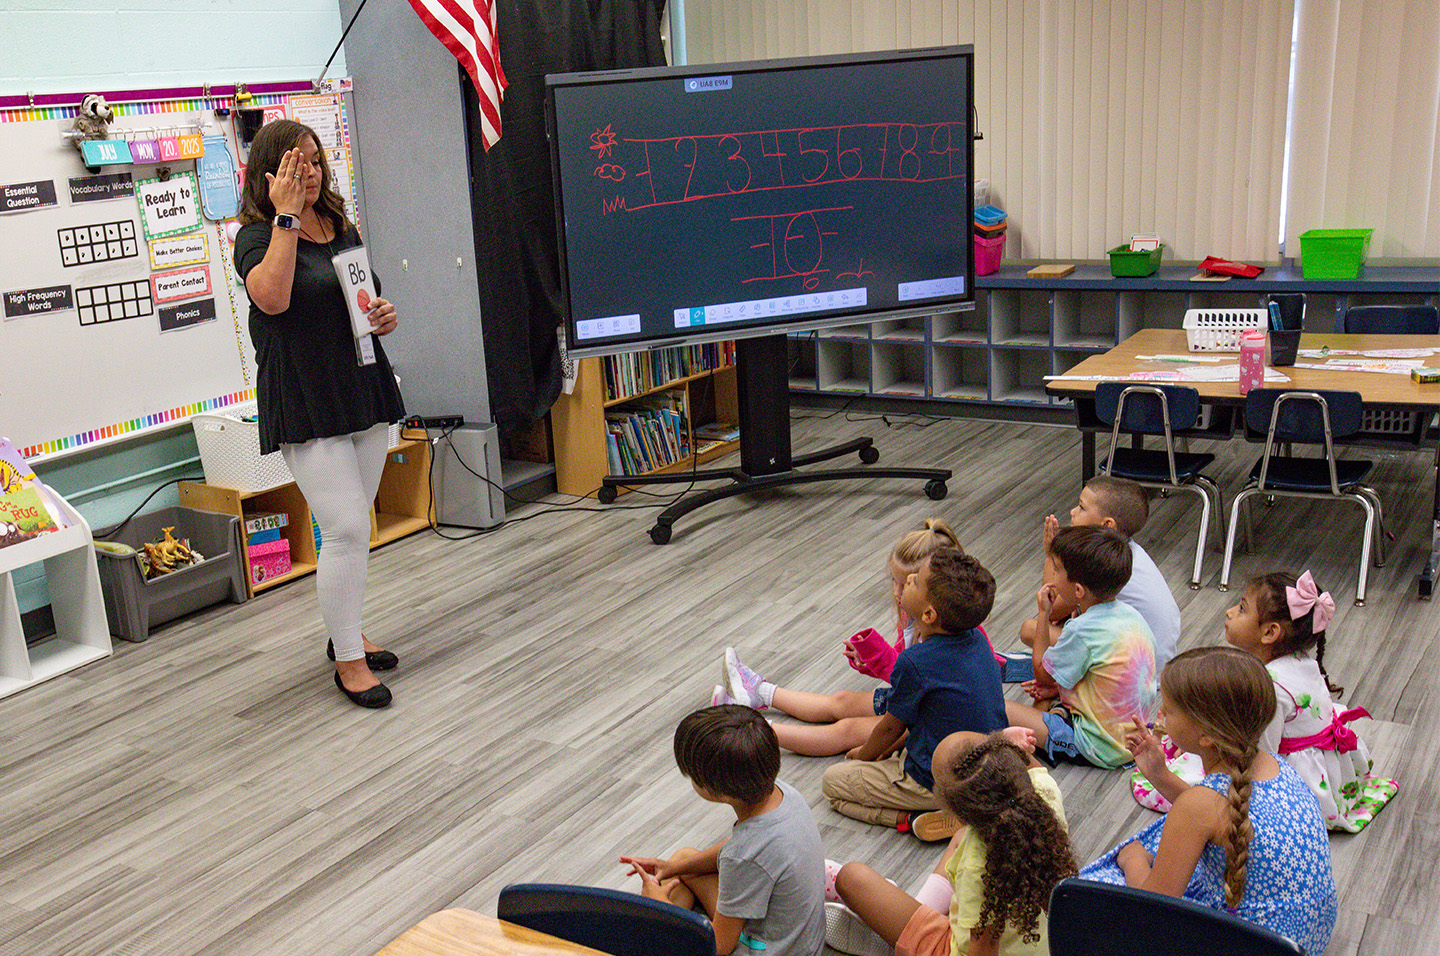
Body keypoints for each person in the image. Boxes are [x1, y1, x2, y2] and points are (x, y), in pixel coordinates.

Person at [234, 120, 405, 708]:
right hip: (305, 398)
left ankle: (347, 633)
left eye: (314, 159)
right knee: (346, 528)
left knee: (357, 527)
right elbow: (273, 297)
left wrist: (382, 314)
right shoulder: (256, 236)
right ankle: (349, 662)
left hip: (360, 387)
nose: (309, 171)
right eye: (294, 163)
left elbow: (360, 296)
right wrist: (285, 217)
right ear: (270, 175)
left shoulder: (339, 224)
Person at [1080, 647, 1338, 954]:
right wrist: (1159, 774)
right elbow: (1215, 814)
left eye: (1169, 710)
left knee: (1096, 897)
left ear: (1206, 736)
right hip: (1304, 938)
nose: (1160, 715)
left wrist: (1132, 860)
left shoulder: (1200, 806)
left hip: (1258, 944)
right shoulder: (1275, 763)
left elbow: (1152, 911)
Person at [716, 520, 1005, 756]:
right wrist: (871, 663)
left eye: (909, 584)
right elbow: (907, 670)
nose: (898, 592)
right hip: (917, 702)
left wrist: (882, 665)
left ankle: (748, 731)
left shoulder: (965, 633)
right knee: (841, 701)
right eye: (895, 581)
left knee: (847, 730)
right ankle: (758, 691)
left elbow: (923, 677)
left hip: (931, 719)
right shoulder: (917, 615)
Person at [824, 729, 1075, 956]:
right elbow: (1028, 765)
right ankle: (915, 914)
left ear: (957, 813)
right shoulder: (1046, 793)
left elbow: (982, 950)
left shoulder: (976, 867)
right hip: (1048, 945)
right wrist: (1003, 743)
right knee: (962, 837)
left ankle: (897, 940)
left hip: (960, 948)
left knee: (851, 877)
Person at [819, 548, 1008, 839]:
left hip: (935, 780)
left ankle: (916, 818)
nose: (908, 579)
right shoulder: (978, 642)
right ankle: (956, 810)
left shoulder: (915, 662)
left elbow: (891, 726)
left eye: (916, 580)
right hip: (986, 772)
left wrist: (865, 755)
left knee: (832, 784)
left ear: (929, 614)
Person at [620, 705, 825, 956]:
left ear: (715, 790)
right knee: (683, 860)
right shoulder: (784, 793)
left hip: (767, 950)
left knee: (655, 927)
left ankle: (658, 924)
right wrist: (673, 868)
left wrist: (659, 905)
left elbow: (718, 946)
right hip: (800, 940)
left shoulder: (743, 856)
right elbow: (743, 850)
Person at [1224, 570, 1397, 831]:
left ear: (1270, 632)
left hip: (1301, 783)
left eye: (1241, 608)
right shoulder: (1299, 659)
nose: (1229, 612)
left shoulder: (1269, 685)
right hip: (1329, 767)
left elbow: (1263, 753)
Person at [1006, 526, 1159, 768]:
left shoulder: (1082, 630)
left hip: (1099, 747)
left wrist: (1044, 613)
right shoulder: (1132, 616)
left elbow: (1041, 673)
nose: (1053, 576)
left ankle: (1050, 731)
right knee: (1048, 692)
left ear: (1078, 590)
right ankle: (1053, 714)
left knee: (1000, 709)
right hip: (1129, 737)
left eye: (1057, 570)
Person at [1025, 476, 1180, 671]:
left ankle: (1060, 679)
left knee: (1030, 629)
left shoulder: (1095, 561)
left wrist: (1051, 554)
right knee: (1066, 617)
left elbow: (1052, 608)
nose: (1072, 512)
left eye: (1081, 507)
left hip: (1133, 668)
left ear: (1106, 525)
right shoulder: (1125, 551)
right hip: (1153, 664)